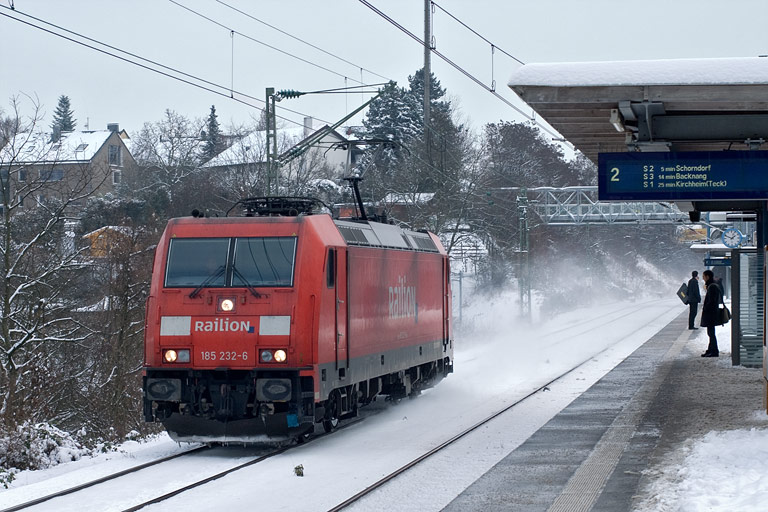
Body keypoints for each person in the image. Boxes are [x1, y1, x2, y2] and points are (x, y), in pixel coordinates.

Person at [700, 269, 722, 357]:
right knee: (710, 333)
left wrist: (706, 308)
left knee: (711, 333)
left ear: (707, 276)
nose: (703, 278)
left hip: (711, 314)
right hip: (711, 313)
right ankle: (711, 349)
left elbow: (712, 301)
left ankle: (714, 351)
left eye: (704, 276)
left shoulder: (712, 286)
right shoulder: (712, 285)